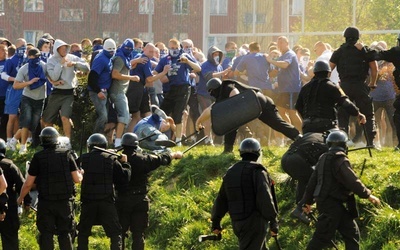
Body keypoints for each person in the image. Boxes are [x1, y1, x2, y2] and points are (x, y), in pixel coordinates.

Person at [301, 130, 380, 249]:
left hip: (331, 204)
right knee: (321, 239)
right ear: (344, 145)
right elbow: (352, 180)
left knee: (352, 232)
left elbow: (312, 182)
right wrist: (368, 195)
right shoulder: (340, 159)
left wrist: (306, 201)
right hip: (331, 206)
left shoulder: (323, 158)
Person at [17, 127, 82, 250]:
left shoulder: (38, 157)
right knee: (65, 233)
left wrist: (20, 199)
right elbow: (77, 179)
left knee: (46, 234)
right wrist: (81, 173)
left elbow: (28, 183)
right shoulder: (67, 154)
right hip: (65, 203)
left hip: (46, 203)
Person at [196, 78, 301, 153]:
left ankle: (298, 137)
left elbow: (235, 95)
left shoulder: (227, 87)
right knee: (231, 125)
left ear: (214, 89)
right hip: (254, 104)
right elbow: (211, 109)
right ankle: (228, 150)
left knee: (277, 124)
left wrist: (233, 108)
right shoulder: (222, 94)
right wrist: (199, 121)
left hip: (260, 102)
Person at [116, 132, 182, 249]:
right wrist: (174, 155)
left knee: (119, 234)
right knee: (138, 234)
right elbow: (162, 159)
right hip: (140, 200)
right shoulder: (144, 159)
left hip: (122, 200)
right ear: (136, 145)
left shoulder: (116, 160)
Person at [211, 138, 279, 250]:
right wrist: (273, 221)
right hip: (254, 222)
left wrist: (216, 221)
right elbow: (265, 198)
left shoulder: (231, 172)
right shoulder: (258, 171)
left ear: (240, 152)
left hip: (237, 222)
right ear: (258, 153)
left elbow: (222, 198)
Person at [77, 133, 131, 250]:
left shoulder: (83, 159)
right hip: (106, 201)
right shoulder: (111, 159)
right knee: (115, 233)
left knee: (83, 233)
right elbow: (123, 179)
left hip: (88, 202)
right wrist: (125, 163)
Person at [330, 26, 378, 146]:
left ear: (345, 37)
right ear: (358, 37)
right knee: (367, 113)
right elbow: (374, 68)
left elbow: (329, 68)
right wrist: (372, 83)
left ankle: (342, 142)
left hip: (344, 86)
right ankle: (370, 143)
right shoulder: (364, 50)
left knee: (343, 115)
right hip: (360, 85)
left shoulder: (339, 51)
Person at [296, 60, 366, 134]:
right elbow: (346, 103)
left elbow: (298, 106)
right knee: (340, 138)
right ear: (329, 73)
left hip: (308, 127)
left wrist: (307, 119)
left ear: (314, 72)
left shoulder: (305, 87)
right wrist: (358, 113)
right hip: (327, 126)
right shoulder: (333, 87)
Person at [154, 38, 201, 145]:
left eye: (176, 48)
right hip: (171, 88)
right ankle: (159, 137)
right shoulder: (165, 59)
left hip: (184, 87)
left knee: (178, 114)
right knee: (162, 112)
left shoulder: (184, 56)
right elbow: (155, 72)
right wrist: (162, 73)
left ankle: (178, 141)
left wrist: (187, 61)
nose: (174, 50)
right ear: (168, 48)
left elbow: (198, 69)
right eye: (172, 48)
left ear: (179, 48)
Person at [43, 39, 90, 139]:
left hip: (69, 92)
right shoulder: (51, 61)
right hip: (56, 92)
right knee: (48, 119)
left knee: (65, 117)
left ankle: (68, 142)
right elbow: (54, 77)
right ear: (57, 49)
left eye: (66, 48)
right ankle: (50, 141)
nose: (64, 50)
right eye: (62, 49)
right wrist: (60, 64)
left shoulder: (72, 57)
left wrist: (74, 64)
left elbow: (87, 67)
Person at [12, 48, 47, 154]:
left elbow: (50, 77)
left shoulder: (44, 66)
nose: (34, 60)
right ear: (28, 58)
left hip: (40, 98)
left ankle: (13, 140)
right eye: (32, 58)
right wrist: (29, 82)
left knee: (33, 124)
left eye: (36, 58)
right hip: (27, 97)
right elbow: (16, 85)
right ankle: (23, 146)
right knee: (25, 122)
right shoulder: (24, 68)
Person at [0, 138, 32, 249]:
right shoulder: (10, 166)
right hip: (9, 209)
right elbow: (22, 185)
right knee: (10, 241)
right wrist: (27, 202)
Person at [109, 38, 140, 147]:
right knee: (124, 116)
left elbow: (127, 66)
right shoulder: (120, 58)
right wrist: (132, 77)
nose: (128, 50)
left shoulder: (124, 57)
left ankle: (111, 140)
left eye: (130, 49)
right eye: (126, 48)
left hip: (120, 91)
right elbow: (115, 74)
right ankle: (118, 143)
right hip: (118, 92)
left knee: (116, 118)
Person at [374, 34, 400, 150]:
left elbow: (378, 55)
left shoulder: (396, 52)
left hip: (392, 95)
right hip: (391, 94)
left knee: (397, 117)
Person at [1, 38, 27, 151]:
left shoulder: (28, 59)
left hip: (26, 89)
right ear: (16, 47)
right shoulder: (11, 60)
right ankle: (8, 140)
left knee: (22, 117)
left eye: (25, 45)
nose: (24, 48)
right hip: (13, 89)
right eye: (22, 46)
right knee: (12, 116)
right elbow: (3, 75)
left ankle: (17, 142)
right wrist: (15, 79)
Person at [87, 38, 117, 134]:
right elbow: (92, 77)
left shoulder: (107, 57)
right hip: (98, 91)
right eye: (110, 51)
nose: (112, 53)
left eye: (113, 51)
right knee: (103, 116)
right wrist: (98, 91)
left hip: (103, 90)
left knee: (106, 116)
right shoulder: (101, 59)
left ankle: (100, 137)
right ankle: (95, 137)